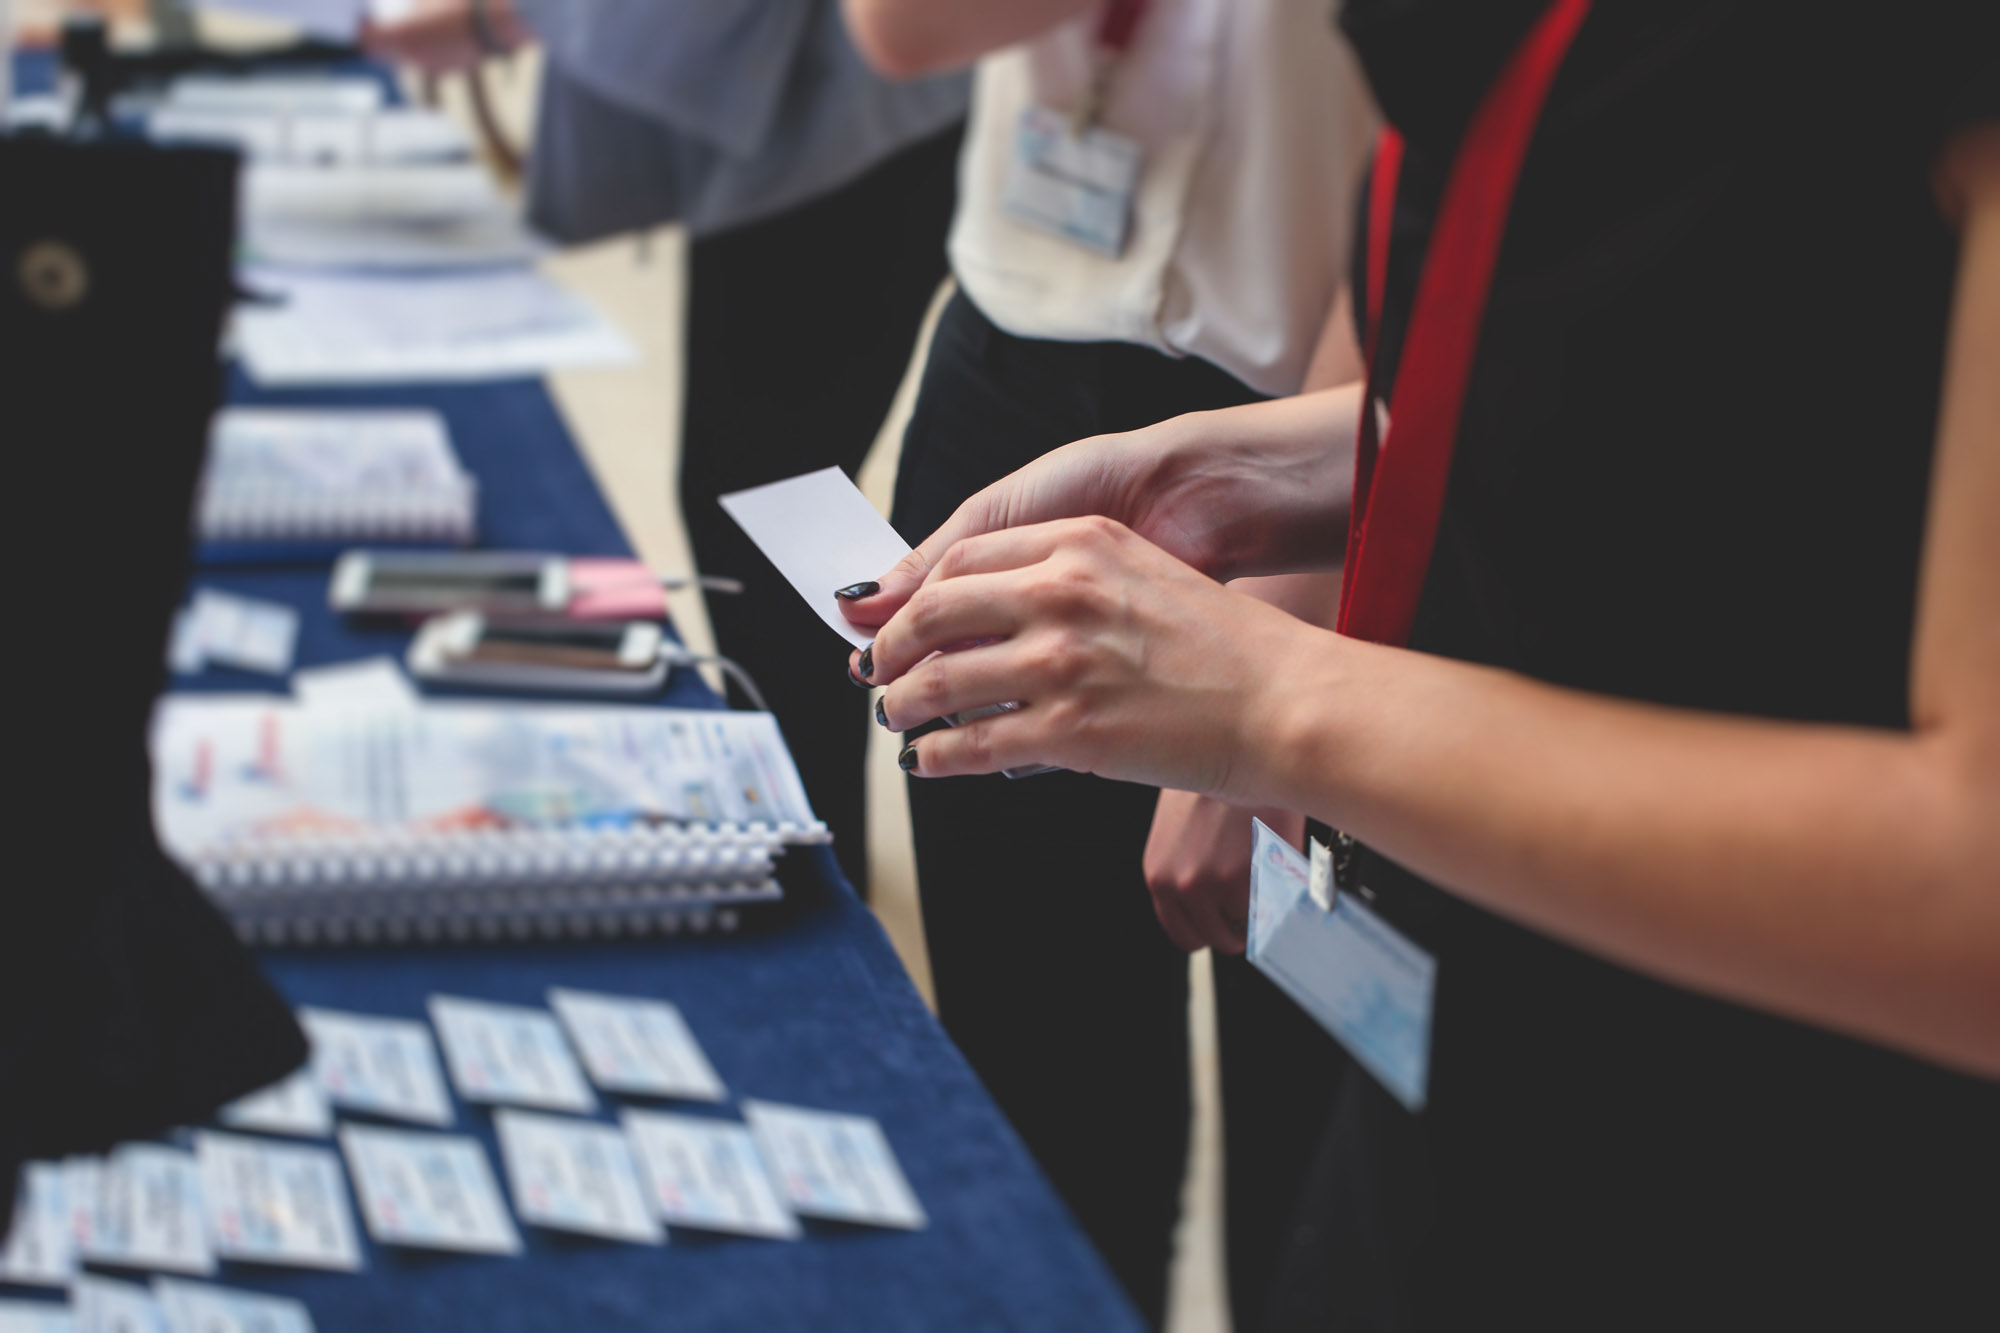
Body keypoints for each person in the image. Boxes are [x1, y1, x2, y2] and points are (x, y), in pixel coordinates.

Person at [842, 0, 2000, 1324]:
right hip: (1494, 1022)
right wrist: (1238, 471)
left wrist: (1264, 692)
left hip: (1764, 1145)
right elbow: (1691, 396)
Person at [841, 1, 1374, 1324]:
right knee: (1036, 1101)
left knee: (1320, 1159)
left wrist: (1285, 665)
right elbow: (900, 29)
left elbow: (1439, 145)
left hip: (1323, 429)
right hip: (1018, 370)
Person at [368, 0, 968, 893]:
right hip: (849, 106)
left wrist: (509, 18)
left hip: (857, 112)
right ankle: (800, 824)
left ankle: (804, 847)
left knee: (770, 495)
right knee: (761, 492)